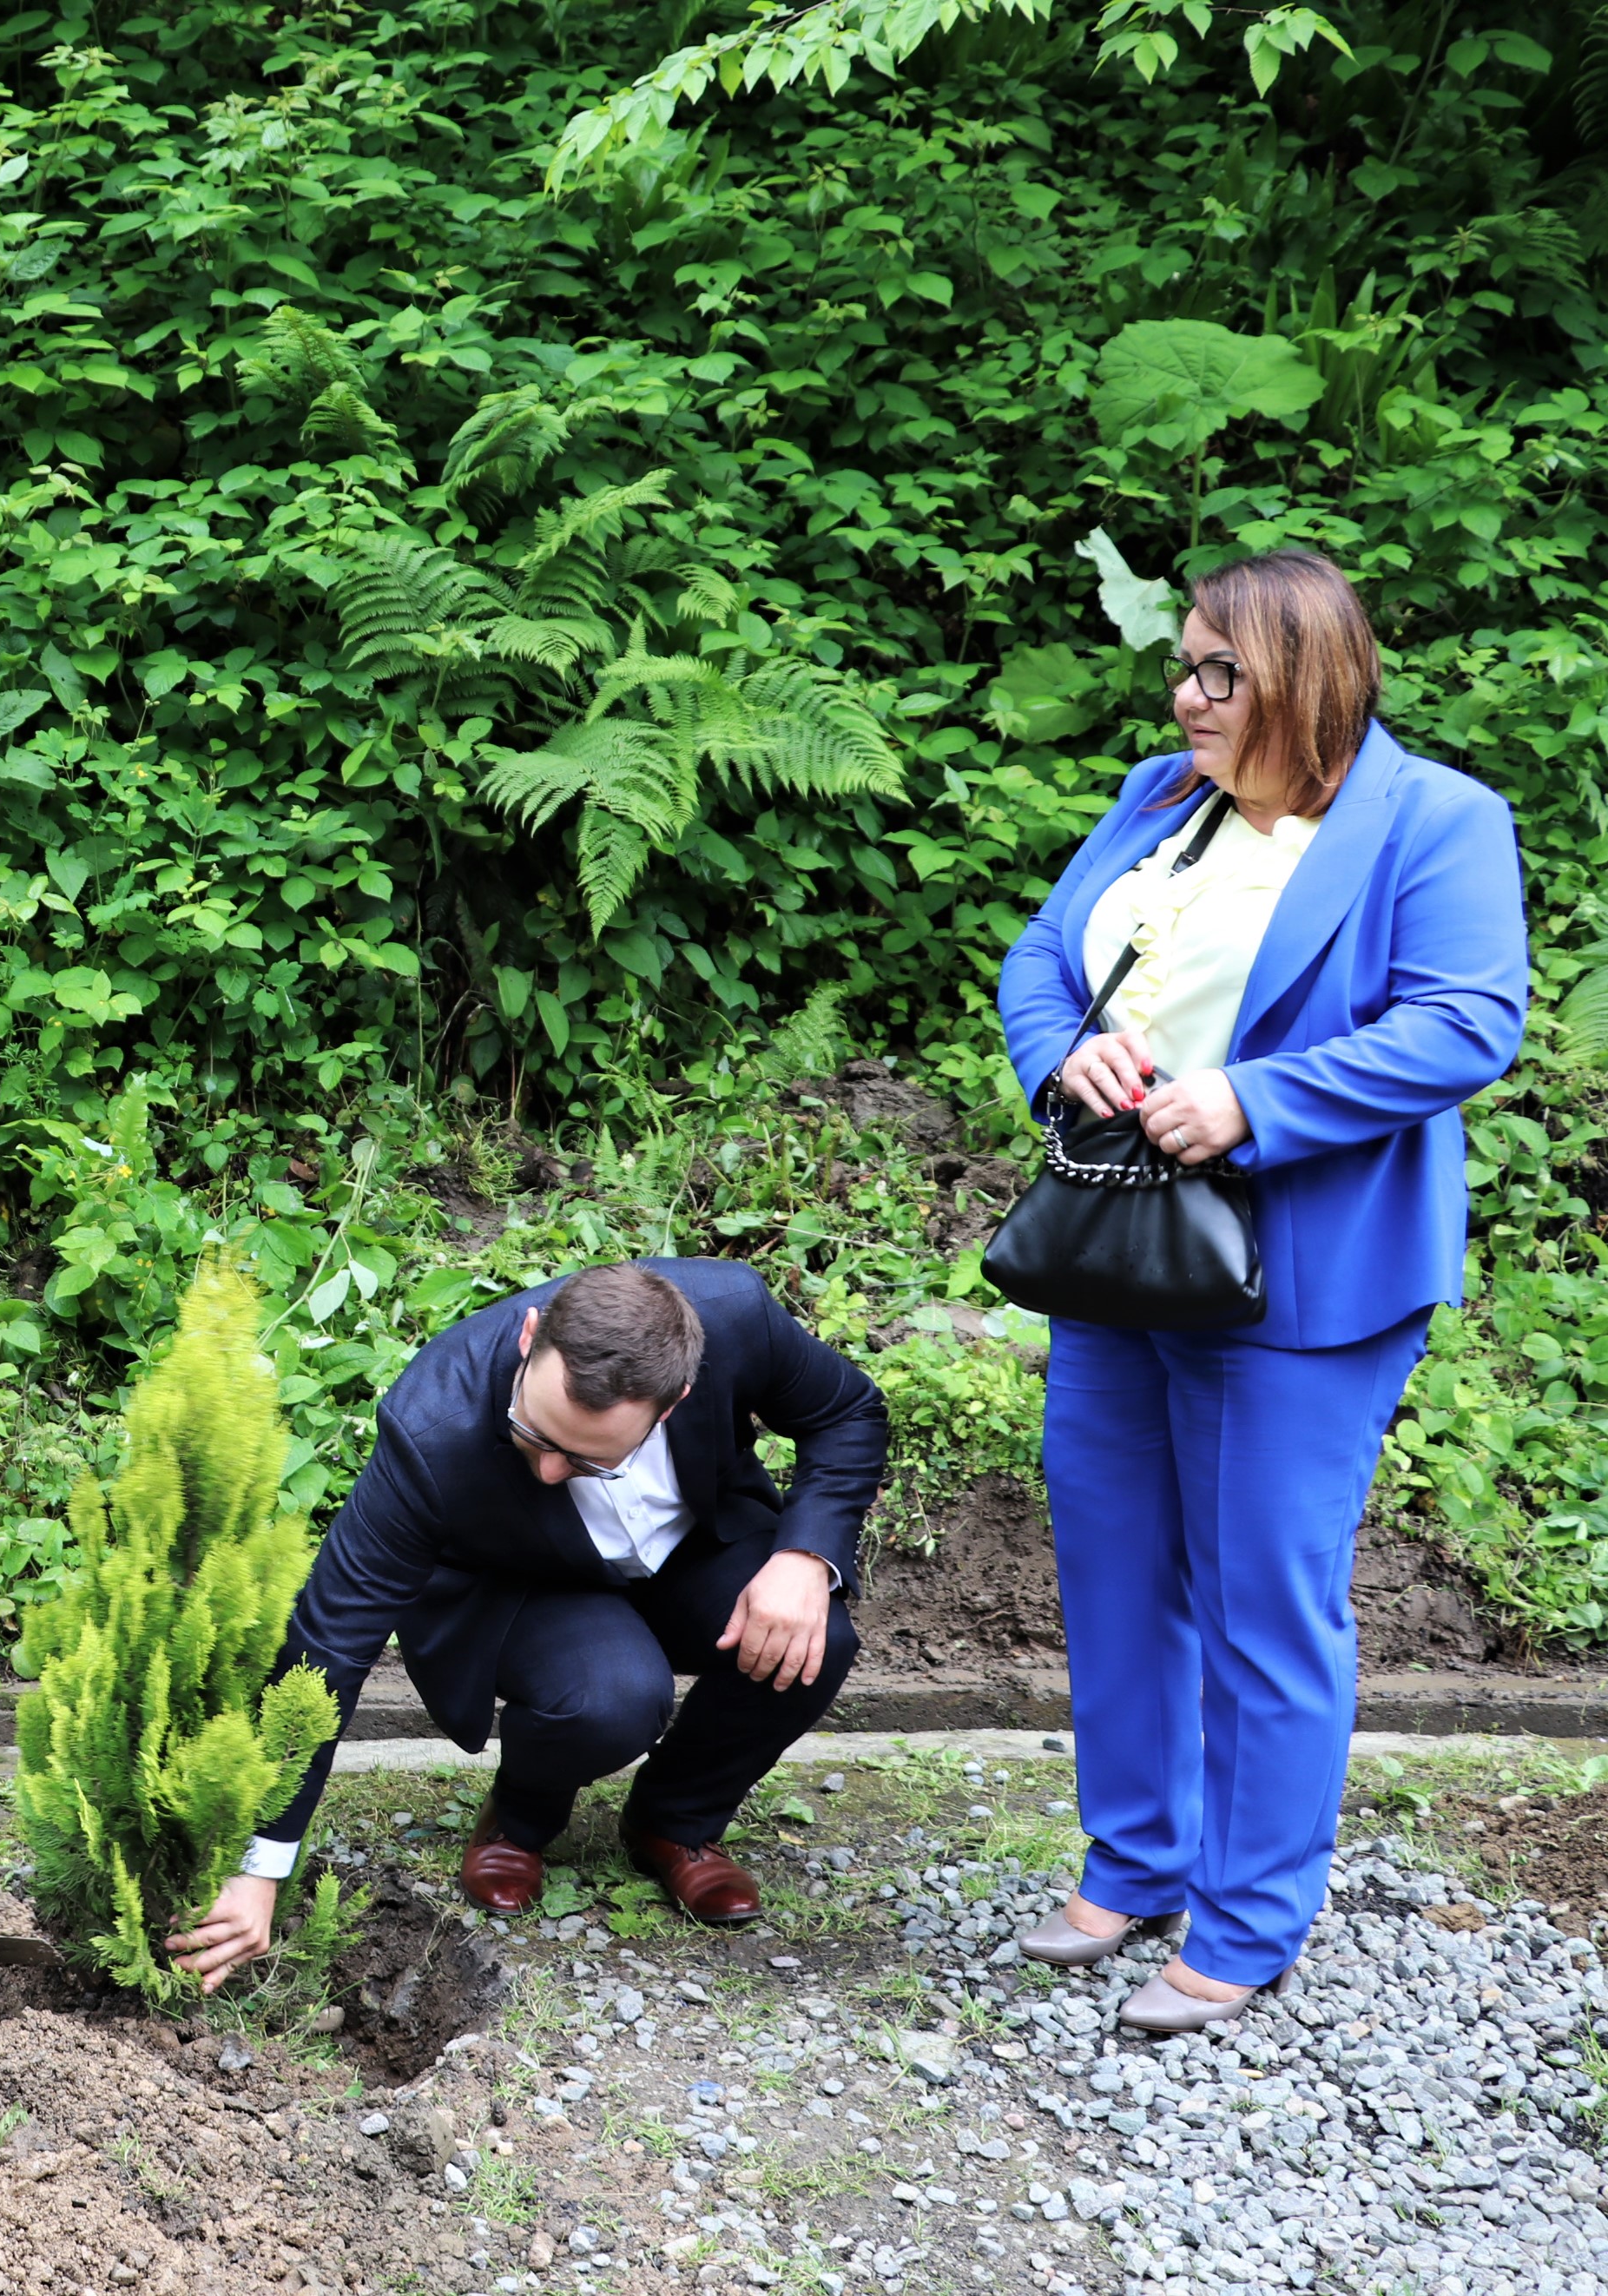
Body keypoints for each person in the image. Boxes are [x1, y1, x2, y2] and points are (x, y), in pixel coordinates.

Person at [995, 549, 1527, 2033]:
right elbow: (1042, 957)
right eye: (1182, 663)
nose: (1186, 694)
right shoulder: (1158, 799)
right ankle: (1135, 1855)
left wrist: (1256, 1100)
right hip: (1120, 1252)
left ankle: (1245, 1918)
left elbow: (1466, 1021)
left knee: (1263, 1605)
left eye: (1219, 671)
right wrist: (1061, 1053)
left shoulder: (1434, 820)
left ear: (1307, 673)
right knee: (1112, 1569)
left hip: (1305, 1278)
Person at [167, 1258, 886, 1989]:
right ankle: (519, 1819)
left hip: (690, 1550)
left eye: (585, 1459)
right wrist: (259, 1863)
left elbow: (848, 1412)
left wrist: (804, 1554)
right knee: (609, 1699)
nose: (544, 1471)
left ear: (672, 1403)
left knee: (816, 1637)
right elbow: (333, 1637)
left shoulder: (733, 1315)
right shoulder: (430, 1424)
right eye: (531, 1433)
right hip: (521, 1582)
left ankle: (674, 1822)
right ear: (532, 1337)